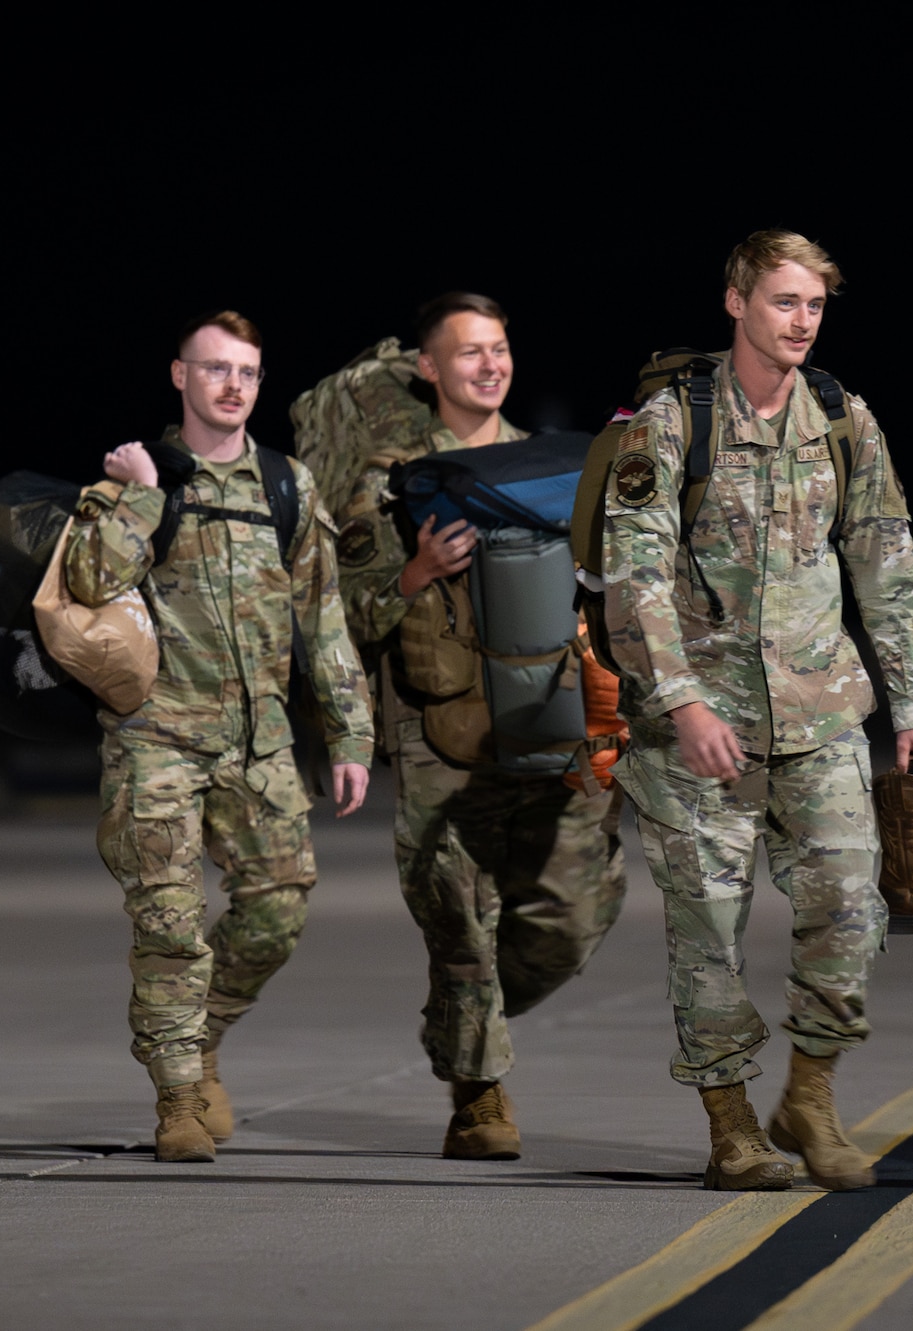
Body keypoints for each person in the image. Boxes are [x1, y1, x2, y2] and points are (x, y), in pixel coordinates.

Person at [603, 231, 913, 1192]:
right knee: (708, 932)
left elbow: (887, 559)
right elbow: (635, 579)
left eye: (814, 306)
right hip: (699, 729)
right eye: (783, 302)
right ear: (736, 302)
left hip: (821, 712)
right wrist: (678, 701)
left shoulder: (843, 417)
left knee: (849, 908)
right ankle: (731, 1128)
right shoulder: (674, 422)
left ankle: (812, 1092)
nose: (800, 322)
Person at [67, 311, 373, 1162]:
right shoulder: (140, 476)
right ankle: (174, 1100)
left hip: (260, 744)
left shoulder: (285, 485)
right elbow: (90, 580)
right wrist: (136, 496)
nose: (232, 384)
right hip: (155, 739)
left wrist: (351, 735)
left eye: (247, 371)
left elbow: (325, 617)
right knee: (168, 923)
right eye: (214, 369)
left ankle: (200, 1039)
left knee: (278, 908)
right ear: (180, 376)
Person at [335, 293, 627, 1160]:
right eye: (468, 352)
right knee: (460, 920)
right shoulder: (387, 483)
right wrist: (416, 570)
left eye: (499, 348)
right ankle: (480, 1096)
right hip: (442, 733)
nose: (489, 365)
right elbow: (339, 613)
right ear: (429, 368)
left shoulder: (559, 470)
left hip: (556, 721)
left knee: (578, 914)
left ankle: (456, 1023)